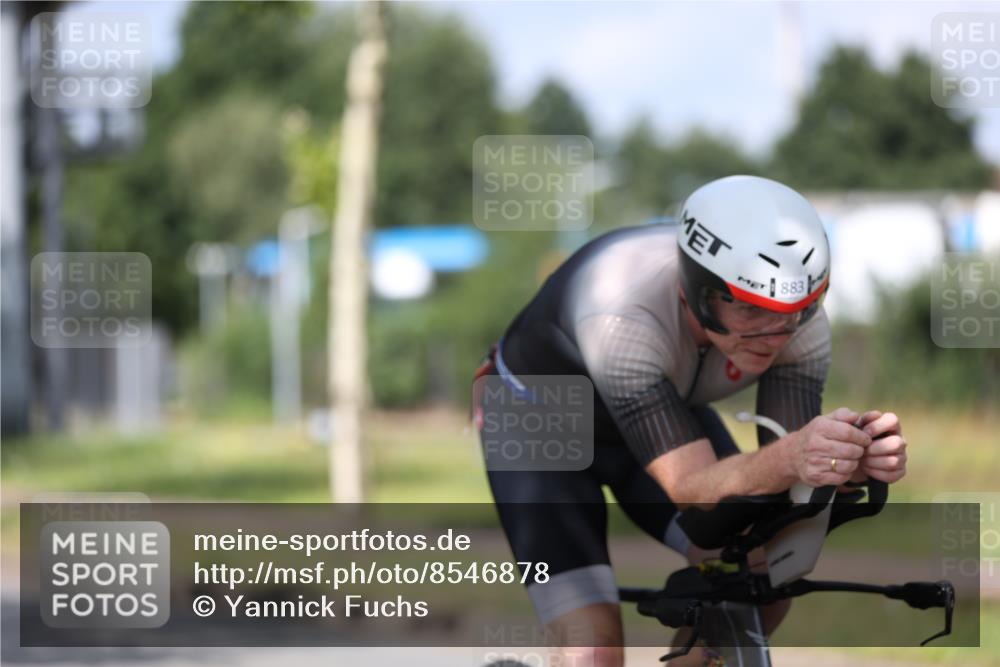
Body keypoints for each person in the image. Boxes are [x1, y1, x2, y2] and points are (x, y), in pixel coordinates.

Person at [473, 175, 908, 667]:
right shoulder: (621, 312)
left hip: (656, 411)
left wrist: (847, 465)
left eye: (796, 312)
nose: (774, 333)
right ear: (699, 292)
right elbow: (693, 489)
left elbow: (788, 489)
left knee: (758, 582)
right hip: (539, 422)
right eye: (748, 309)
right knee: (591, 648)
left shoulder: (797, 323)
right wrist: (796, 456)